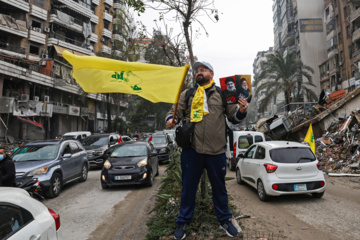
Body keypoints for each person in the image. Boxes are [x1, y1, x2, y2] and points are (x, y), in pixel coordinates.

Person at [166, 61, 248, 239]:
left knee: (219, 188)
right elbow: (175, 112)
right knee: (188, 188)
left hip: (216, 151)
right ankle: (183, 221)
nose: (198, 73)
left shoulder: (222, 93)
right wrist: (170, 119)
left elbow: (234, 117)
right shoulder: (187, 94)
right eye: (197, 71)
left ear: (211, 73)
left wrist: (241, 110)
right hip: (191, 151)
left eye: (203, 70)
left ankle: (224, 220)